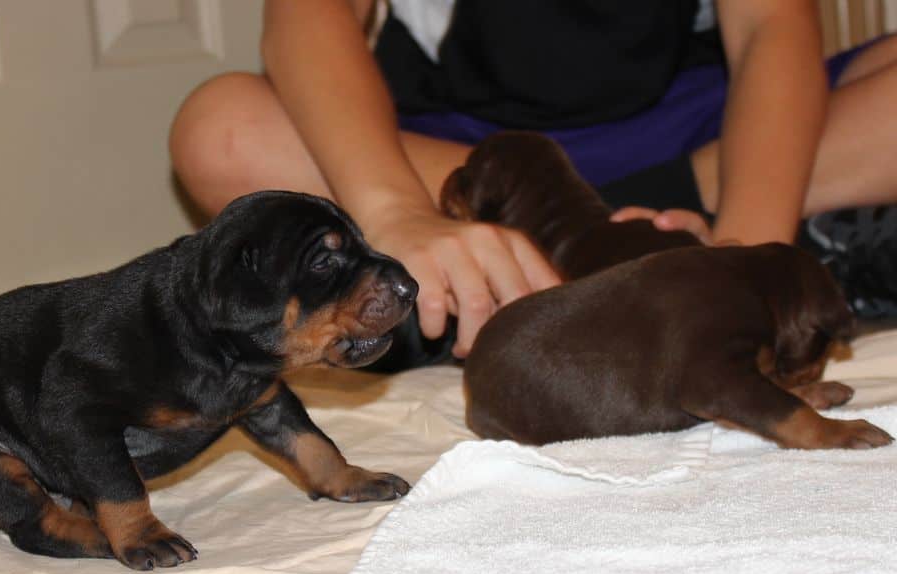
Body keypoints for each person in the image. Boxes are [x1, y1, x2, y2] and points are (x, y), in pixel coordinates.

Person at [169, 0, 897, 366]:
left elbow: (774, 28)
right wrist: (394, 214)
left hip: (696, 127)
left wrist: (746, 258)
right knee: (222, 131)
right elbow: (309, 14)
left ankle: (544, 267)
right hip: (467, 165)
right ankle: (591, 251)